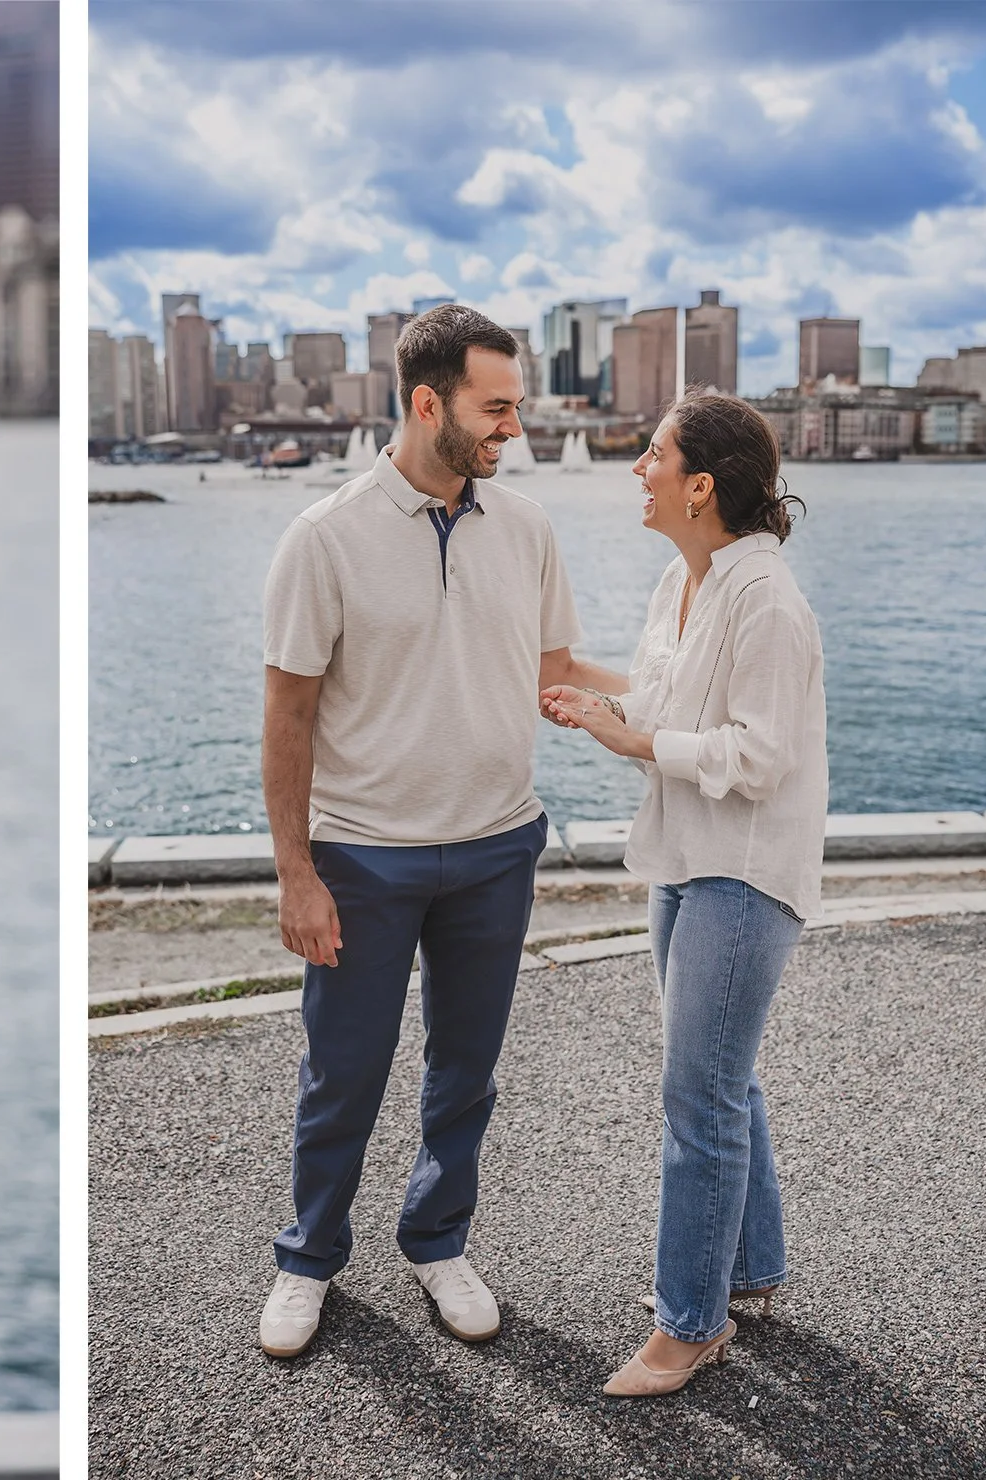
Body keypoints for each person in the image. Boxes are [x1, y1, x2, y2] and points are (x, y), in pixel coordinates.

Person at [256, 305, 618, 1358]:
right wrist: (294, 873)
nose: (514, 426)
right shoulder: (322, 538)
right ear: (428, 403)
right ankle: (306, 1259)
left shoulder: (529, 528)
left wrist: (674, 692)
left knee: (466, 1069)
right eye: (495, 407)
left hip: (498, 846)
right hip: (362, 855)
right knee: (343, 1074)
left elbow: (554, 671)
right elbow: (286, 717)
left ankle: (436, 1239)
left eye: (515, 406)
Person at [541, 391, 825, 1397]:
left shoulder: (765, 601)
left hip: (742, 871)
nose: (636, 469)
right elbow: (665, 703)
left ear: (699, 484)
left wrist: (633, 738)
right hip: (684, 858)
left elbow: (758, 754)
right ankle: (743, 1269)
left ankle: (690, 1325)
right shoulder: (682, 580)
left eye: (651, 455)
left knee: (695, 1091)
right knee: (721, 1076)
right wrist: (592, 697)